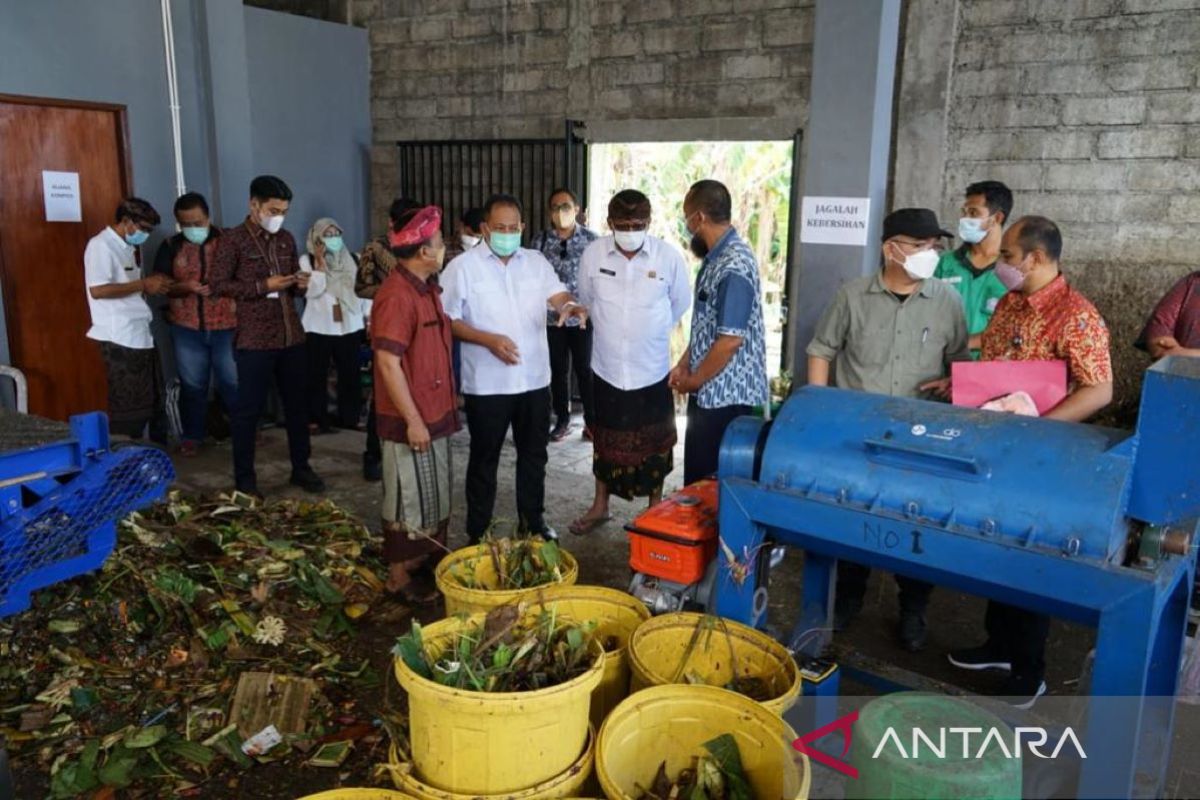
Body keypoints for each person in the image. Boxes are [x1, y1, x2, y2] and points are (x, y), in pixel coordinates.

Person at [949, 215, 1112, 709]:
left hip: (1042, 454)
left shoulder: (1076, 315)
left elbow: (1100, 389)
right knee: (996, 542)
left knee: (1029, 553)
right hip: (999, 444)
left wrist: (1043, 426)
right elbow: (998, 364)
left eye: (1007, 257)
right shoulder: (1013, 305)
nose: (1001, 265)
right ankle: (998, 645)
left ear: (1036, 258)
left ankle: (1029, 670)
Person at [806, 207, 971, 652]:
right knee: (854, 517)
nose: (930, 254)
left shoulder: (946, 301)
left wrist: (956, 387)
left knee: (918, 526)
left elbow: (960, 363)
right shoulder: (852, 296)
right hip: (857, 436)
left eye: (934, 247)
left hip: (922, 440)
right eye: (919, 246)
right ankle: (848, 600)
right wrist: (821, 411)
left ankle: (913, 608)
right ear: (890, 249)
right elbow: (821, 350)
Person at [442, 192, 589, 543]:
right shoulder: (462, 268)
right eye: (499, 228)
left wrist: (570, 305)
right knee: (484, 460)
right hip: (488, 385)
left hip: (534, 381)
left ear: (522, 227)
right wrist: (487, 339)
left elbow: (557, 296)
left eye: (513, 227)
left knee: (534, 457)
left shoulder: (536, 261)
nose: (507, 233)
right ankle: (478, 531)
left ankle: (533, 521)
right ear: (484, 229)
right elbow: (448, 320)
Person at [571, 190, 691, 535]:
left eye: (637, 224)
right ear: (609, 224)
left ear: (648, 223)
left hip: (651, 369)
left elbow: (679, 303)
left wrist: (648, 332)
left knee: (655, 443)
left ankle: (654, 508)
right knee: (604, 441)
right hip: (607, 367)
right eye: (622, 224)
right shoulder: (593, 255)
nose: (630, 230)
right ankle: (600, 506)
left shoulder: (668, 258)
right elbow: (587, 299)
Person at [210, 175, 324, 496]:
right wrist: (263, 287)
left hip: (291, 336)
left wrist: (299, 285)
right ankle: (245, 480)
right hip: (254, 339)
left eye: (284, 211)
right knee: (248, 413)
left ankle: (301, 467)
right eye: (273, 210)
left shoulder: (286, 239)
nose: (278, 217)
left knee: (298, 408)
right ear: (254, 204)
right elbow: (218, 285)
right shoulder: (232, 241)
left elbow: (290, 283)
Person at [370, 205, 459, 603]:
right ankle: (397, 578)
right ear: (425, 251)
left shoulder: (425, 288)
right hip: (412, 418)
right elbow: (387, 362)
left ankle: (420, 560)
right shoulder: (397, 295)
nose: (444, 249)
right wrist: (413, 421)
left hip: (432, 411)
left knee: (430, 493)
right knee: (406, 498)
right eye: (440, 243)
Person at [668, 179, 768, 484]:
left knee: (712, 485)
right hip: (709, 392)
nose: (687, 227)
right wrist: (685, 363)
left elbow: (729, 341)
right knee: (699, 479)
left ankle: (716, 534)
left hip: (727, 401)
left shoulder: (733, 266)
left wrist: (693, 380)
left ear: (699, 218)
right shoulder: (716, 259)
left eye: (686, 219)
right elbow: (708, 328)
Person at [153, 192, 237, 455]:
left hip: (227, 324)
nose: (193, 229)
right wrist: (184, 287)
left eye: (198, 222)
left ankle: (245, 430)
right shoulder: (171, 245)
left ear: (208, 217)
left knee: (232, 382)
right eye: (186, 224)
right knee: (193, 384)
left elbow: (246, 279)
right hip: (186, 326)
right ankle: (193, 436)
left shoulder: (229, 242)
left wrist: (221, 286)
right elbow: (160, 285)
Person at [85, 197, 172, 439]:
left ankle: (146, 459)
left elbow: (129, 287)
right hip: (119, 338)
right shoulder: (100, 246)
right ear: (126, 221)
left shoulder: (126, 247)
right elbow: (98, 290)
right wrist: (144, 284)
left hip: (139, 335)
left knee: (151, 403)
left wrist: (153, 285)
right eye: (143, 229)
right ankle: (121, 464)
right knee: (129, 411)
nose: (145, 234)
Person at [357, 197, 424, 481]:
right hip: (389, 324)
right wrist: (393, 294)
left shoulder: (423, 246)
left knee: (417, 389)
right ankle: (373, 455)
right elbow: (361, 286)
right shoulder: (376, 247)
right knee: (384, 389)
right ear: (392, 223)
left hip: (419, 328)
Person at [531, 188, 598, 442]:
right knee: (557, 370)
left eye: (566, 206)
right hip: (551, 319)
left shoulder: (593, 241)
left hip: (582, 318)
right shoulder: (540, 241)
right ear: (549, 212)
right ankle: (562, 420)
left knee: (585, 369)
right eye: (556, 207)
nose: (561, 212)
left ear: (577, 209)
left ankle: (592, 422)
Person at [299, 217, 364, 433]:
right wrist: (319, 264)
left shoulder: (354, 259)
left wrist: (368, 317)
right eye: (327, 235)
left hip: (350, 324)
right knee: (316, 374)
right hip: (319, 326)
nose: (334, 239)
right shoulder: (305, 261)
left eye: (337, 234)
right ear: (316, 238)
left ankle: (350, 416)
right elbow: (312, 291)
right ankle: (317, 418)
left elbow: (362, 292)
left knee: (351, 373)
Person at [935, 180, 1013, 356]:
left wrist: (967, 343)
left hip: (990, 370)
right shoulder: (945, 264)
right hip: (943, 367)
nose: (965, 219)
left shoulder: (1012, 270)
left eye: (973, 212)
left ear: (997, 218)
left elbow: (1019, 327)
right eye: (964, 212)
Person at [1137, 270, 1200, 359]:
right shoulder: (1192, 282)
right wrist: (1171, 354)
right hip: (1178, 371)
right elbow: (1157, 337)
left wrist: (1184, 354)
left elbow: (1172, 354)